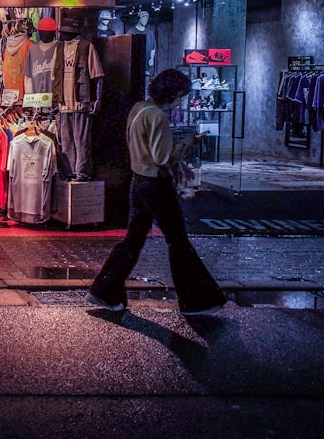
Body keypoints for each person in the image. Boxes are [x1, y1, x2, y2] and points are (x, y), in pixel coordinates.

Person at [86, 68, 226, 315]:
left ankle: (105, 289)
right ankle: (196, 300)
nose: (180, 101)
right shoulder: (158, 117)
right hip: (156, 184)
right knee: (177, 240)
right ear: (170, 93)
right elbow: (163, 158)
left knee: (134, 239)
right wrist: (187, 143)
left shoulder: (138, 108)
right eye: (180, 95)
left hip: (138, 180)